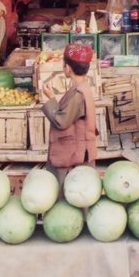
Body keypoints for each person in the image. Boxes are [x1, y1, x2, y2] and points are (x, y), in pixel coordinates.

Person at [40, 43, 98, 188]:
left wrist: (51, 99)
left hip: (74, 155)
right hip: (77, 151)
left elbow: (61, 121)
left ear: (67, 68)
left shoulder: (78, 94)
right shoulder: (83, 87)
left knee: (70, 194)